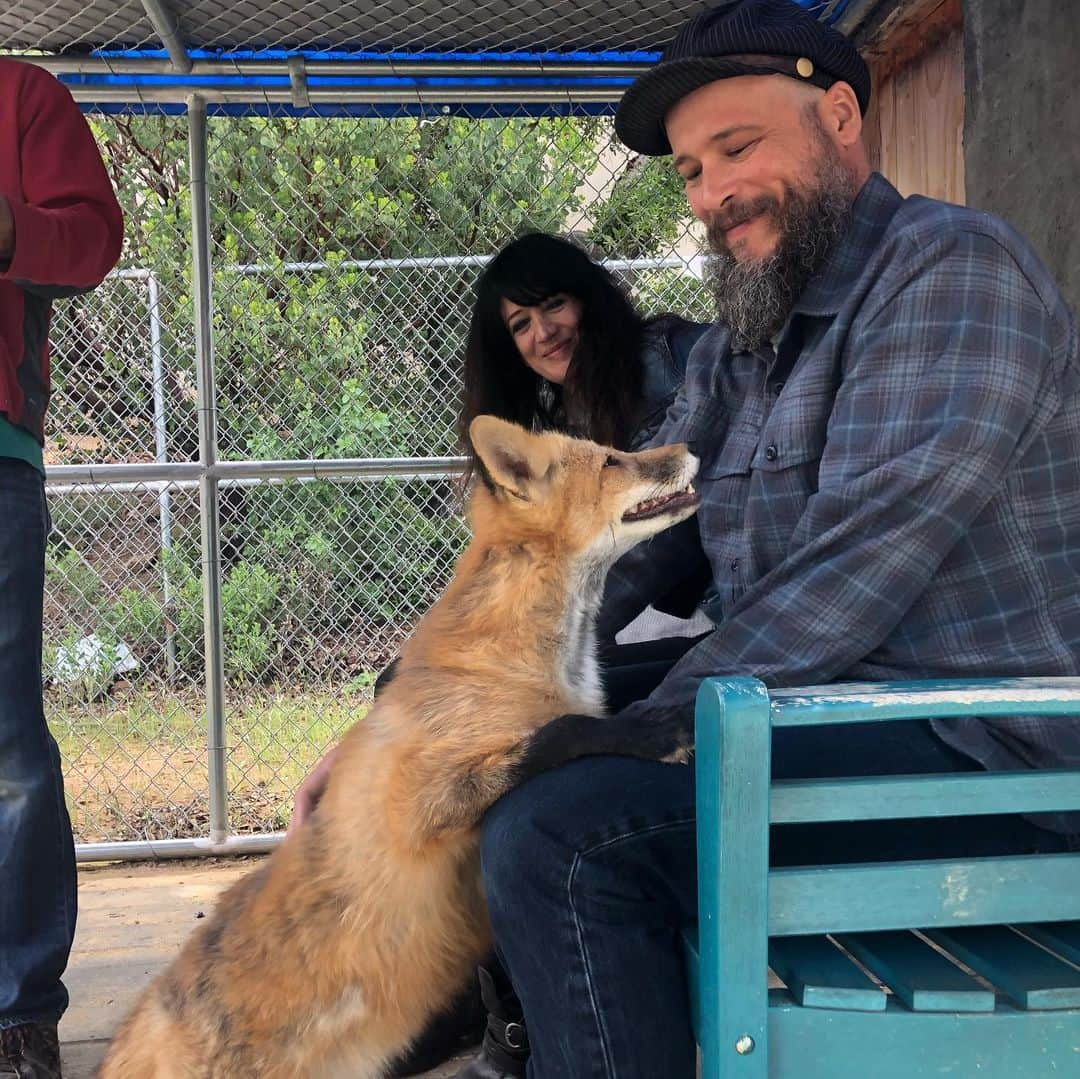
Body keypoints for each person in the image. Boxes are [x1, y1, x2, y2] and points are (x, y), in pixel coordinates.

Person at [465, 1, 1080, 1076]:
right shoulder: (749, 333)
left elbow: (854, 568)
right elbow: (635, 531)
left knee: (563, 834)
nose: (713, 195)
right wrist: (454, 693)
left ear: (841, 116)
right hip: (807, 698)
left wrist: (640, 725)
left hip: (981, 748)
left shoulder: (953, 270)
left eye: (737, 148)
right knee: (489, 738)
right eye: (693, 171)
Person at [295, 233, 713, 1078]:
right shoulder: (547, 427)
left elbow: (663, 551)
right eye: (519, 323)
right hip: (624, 637)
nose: (541, 333)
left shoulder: (671, 362)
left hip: (701, 639)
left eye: (551, 304)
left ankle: (480, 1005)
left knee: (501, 763)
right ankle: (479, 995)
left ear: (589, 295)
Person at [0, 59, 124, 1078]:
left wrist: (6, 230)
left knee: (2, 742)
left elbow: (91, 240)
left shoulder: (21, 97)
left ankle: (17, 1010)